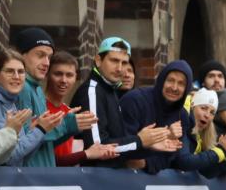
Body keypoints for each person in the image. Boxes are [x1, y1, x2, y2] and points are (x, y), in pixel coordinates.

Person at [70, 37, 178, 169]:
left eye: (124, 63)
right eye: (114, 60)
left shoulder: (110, 89)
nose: (120, 68)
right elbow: (98, 148)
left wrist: (147, 145)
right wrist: (139, 141)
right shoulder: (92, 90)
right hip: (93, 181)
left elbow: (118, 143)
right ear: (98, 60)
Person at [14, 27, 96, 166]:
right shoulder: (22, 87)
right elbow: (27, 141)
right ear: (21, 55)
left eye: (49, 57)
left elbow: (43, 144)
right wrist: (66, 125)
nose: (46, 62)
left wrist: (70, 127)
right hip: (29, 177)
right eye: (40, 55)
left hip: (43, 175)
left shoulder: (37, 88)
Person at [0, 49, 67, 167]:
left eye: (21, 72)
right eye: (9, 71)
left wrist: (35, 131)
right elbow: (10, 158)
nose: (16, 76)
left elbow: (23, 158)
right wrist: (40, 130)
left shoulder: (11, 103)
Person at [44, 51, 118, 166]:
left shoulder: (69, 111)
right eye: (58, 74)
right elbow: (42, 157)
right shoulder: (39, 107)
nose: (64, 80)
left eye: (69, 75)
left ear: (75, 78)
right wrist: (87, 154)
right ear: (47, 75)